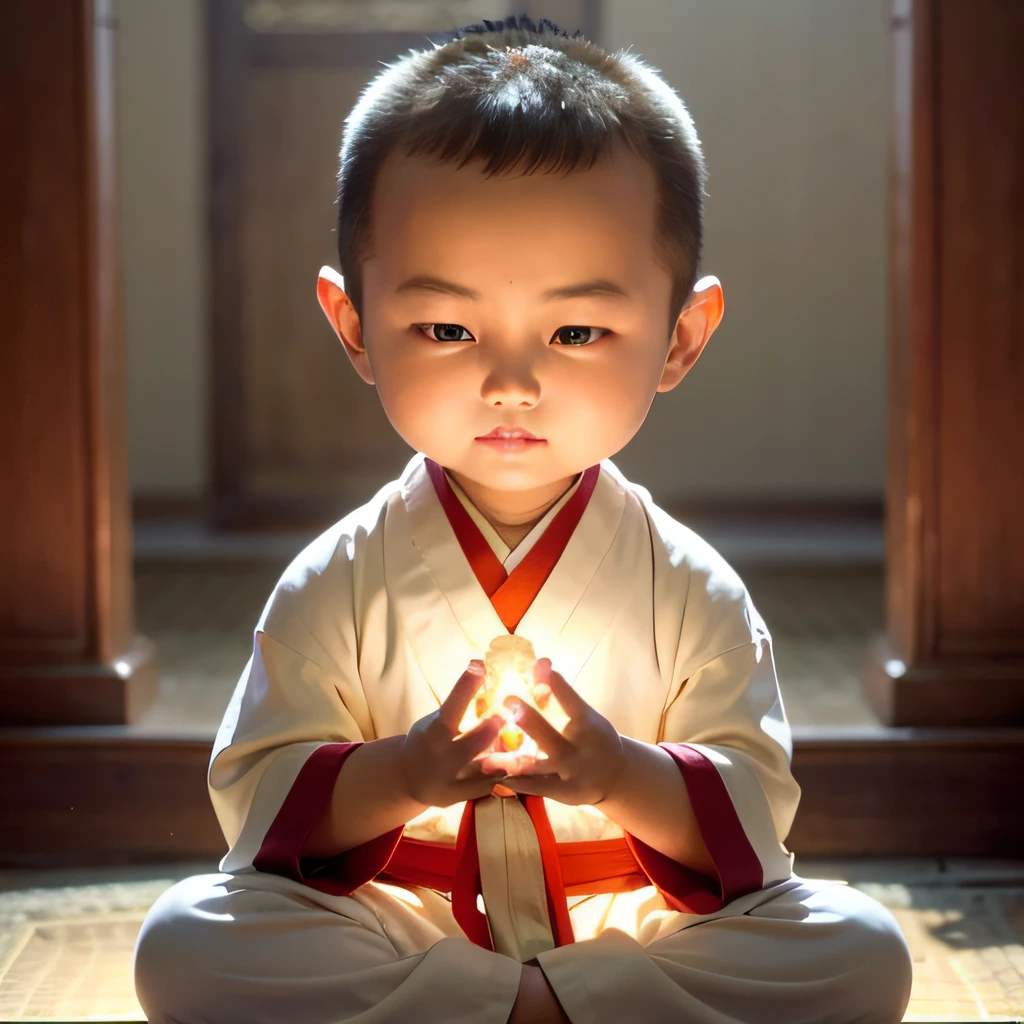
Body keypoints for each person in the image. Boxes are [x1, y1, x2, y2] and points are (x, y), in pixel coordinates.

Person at [134, 15, 913, 1024]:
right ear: (354, 325)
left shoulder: (690, 586)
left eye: (577, 329)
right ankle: (545, 1008)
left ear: (679, 338)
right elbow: (259, 806)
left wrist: (618, 773)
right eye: (447, 327)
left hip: (640, 929)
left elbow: (755, 823)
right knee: (189, 942)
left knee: (857, 951)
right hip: (397, 927)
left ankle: (512, 1007)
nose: (511, 381)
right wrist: (407, 770)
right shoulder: (338, 580)